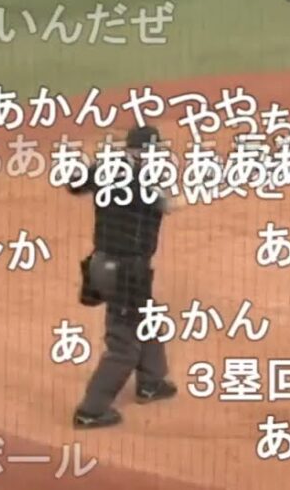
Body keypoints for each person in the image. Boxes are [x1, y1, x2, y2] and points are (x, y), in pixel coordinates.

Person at [68, 124, 182, 429]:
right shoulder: (143, 183)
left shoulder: (107, 169)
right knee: (123, 344)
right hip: (125, 271)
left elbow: (73, 184)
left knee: (146, 318)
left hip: (102, 264)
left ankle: (151, 382)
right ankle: (91, 410)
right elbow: (170, 205)